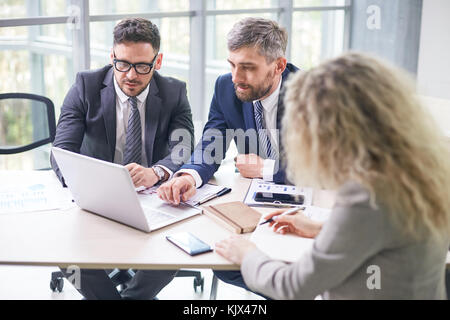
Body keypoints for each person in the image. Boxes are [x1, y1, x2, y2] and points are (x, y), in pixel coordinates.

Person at [215, 52, 450, 299]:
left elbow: (293, 287)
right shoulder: (425, 167)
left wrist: (247, 254)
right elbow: (389, 233)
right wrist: (321, 228)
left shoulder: (367, 194)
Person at [51, 18, 194, 299]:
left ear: (158, 60)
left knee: (175, 249)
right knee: (66, 253)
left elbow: (184, 147)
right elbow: (62, 152)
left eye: (142, 66)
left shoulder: (174, 92)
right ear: (112, 57)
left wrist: (157, 172)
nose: (131, 75)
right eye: (123, 64)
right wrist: (99, 184)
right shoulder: (85, 86)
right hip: (96, 200)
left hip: (151, 197)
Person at [158, 17, 298, 203]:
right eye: (232, 64)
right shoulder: (225, 87)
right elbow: (212, 143)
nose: (235, 77)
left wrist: (266, 168)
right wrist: (189, 176)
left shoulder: (311, 95)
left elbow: (322, 164)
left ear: (279, 66)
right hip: (251, 197)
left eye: (247, 67)